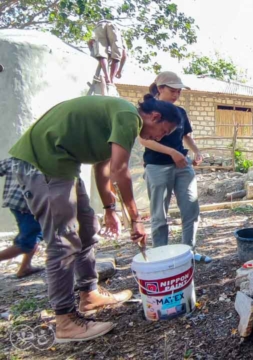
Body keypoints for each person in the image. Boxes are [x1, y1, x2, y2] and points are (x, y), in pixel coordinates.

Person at [8, 95, 183, 342]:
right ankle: (65, 321)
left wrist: (110, 207)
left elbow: (102, 169)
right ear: (155, 117)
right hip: (42, 163)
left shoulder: (116, 120)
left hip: (63, 165)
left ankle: (89, 294)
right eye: (162, 131)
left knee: (87, 228)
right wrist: (136, 220)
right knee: (63, 240)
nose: (159, 138)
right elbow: (119, 171)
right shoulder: (128, 117)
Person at [139, 72, 211, 263]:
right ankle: (161, 256)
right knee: (159, 214)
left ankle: (189, 253)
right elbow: (143, 140)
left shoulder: (180, 112)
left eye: (178, 92)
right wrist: (171, 153)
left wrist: (196, 151)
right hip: (157, 166)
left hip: (182, 165)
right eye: (172, 91)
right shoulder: (148, 111)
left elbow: (186, 135)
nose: (176, 95)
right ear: (160, 88)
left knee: (191, 208)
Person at [0, 158, 43, 278]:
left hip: (16, 203)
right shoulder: (43, 158)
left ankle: (25, 267)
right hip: (29, 205)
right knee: (26, 242)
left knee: (36, 234)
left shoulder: (15, 159)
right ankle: (25, 267)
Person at [90, 20, 127, 91]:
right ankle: (111, 80)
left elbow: (90, 42)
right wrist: (119, 70)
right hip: (113, 26)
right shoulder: (121, 37)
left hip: (99, 25)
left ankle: (107, 78)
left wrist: (94, 53)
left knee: (102, 53)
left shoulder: (95, 39)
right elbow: (124, 55)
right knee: (116, 54)